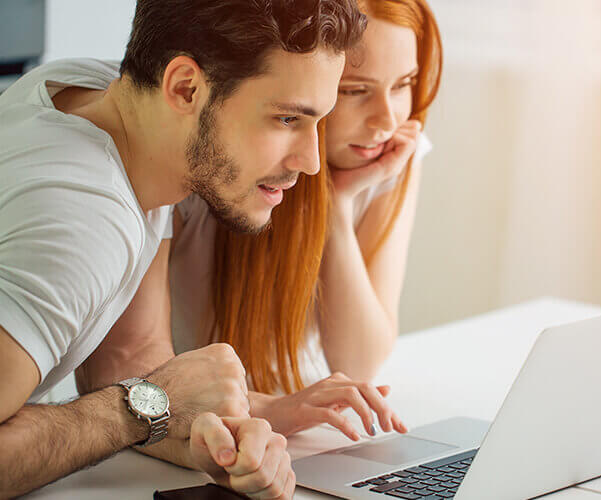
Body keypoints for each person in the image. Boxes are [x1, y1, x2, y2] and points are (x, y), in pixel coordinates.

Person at [0, 0, 366, 497]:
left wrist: (203, 437)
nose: (312, 161)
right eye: (285, 119)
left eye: (316, 122)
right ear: (185, 87)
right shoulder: (84, 219)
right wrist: (143, 407)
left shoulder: (87, 93)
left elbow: (126, 360)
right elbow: (140, 392)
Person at [165, 0, 443, 441]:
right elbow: (139, 373)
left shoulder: (392, 154)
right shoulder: (208, 165)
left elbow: (358, 361)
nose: (387, 120)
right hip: (189, 431)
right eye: (354, 91)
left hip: (299, 432)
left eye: (403, 84)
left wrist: (334, 205)